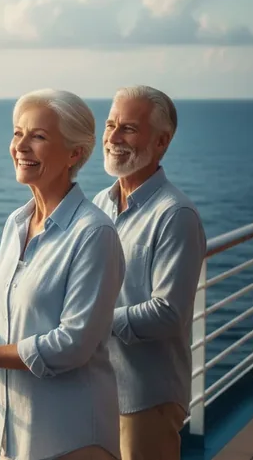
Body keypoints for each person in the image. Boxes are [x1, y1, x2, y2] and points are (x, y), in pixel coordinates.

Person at [0, 89, 125, 460]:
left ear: (75, 153)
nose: (20, 146)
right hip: (13, 434)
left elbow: (73, 343)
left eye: (39, 136)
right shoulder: (16, 223)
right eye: (18, 133)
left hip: (71, 438)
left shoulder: (93, 233)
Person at [93, 86, 206, 460]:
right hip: (98, 388)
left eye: (128, 128)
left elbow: (168, 313)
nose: (113, 138)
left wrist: (91, 322)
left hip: (145, 397)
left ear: (161, 141)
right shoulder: (100, 204)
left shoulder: (175, 215)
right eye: (110, 125)